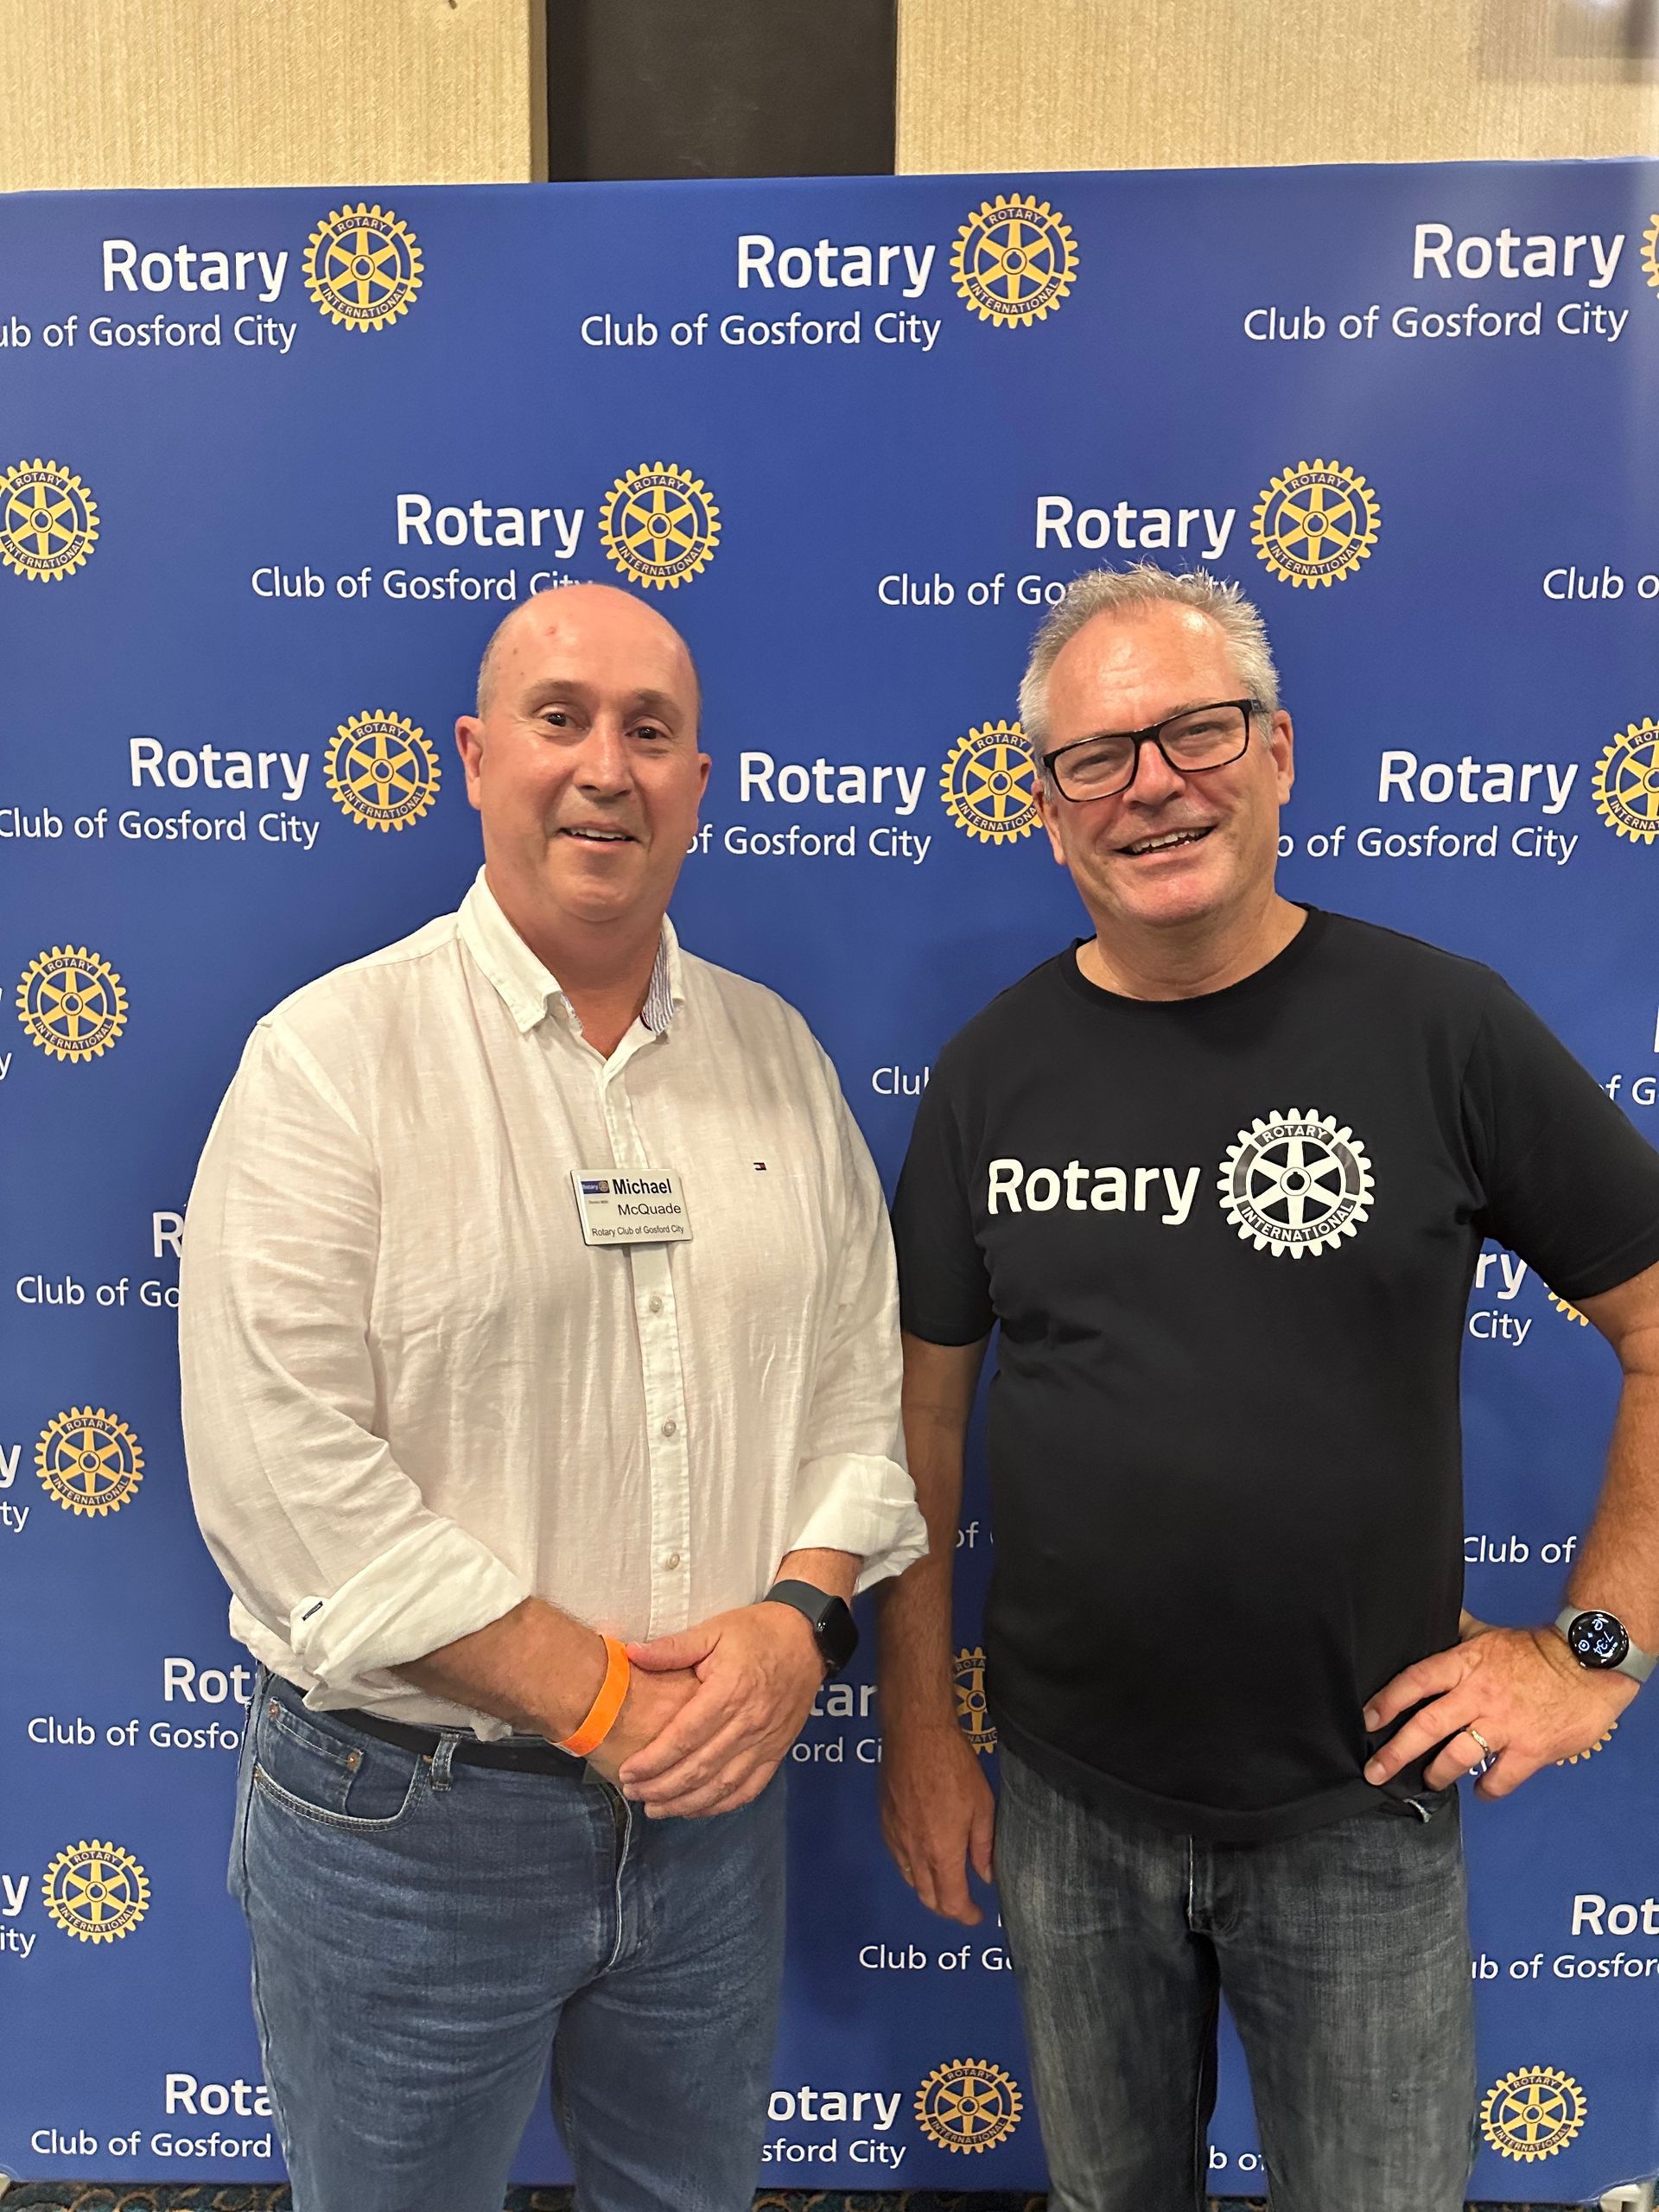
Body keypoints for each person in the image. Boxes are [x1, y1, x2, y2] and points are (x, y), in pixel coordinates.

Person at [879, 563, 1659, 2212]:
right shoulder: (986, 1077)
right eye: (1100, 756)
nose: (1153, 784)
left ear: (1281, 751)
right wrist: (921, 1739)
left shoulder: (1441, 1030)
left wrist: (1598, 1649)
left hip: (1358, 1819)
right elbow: (920, 1429)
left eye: (1197, 731)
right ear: (1049, 807)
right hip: (1068, 1812)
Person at [180, 582, 925, 2212]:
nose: (608, 767)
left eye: (651, 731)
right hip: (407, 1825)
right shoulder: (328, 1060)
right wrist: (601, 1699)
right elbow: (285, 1481)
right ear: (473, 757)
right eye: (562, 718)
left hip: (714, 1823)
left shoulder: (779, 1060)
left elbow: (857, 1390)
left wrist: (802, 1618)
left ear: (699, 785)